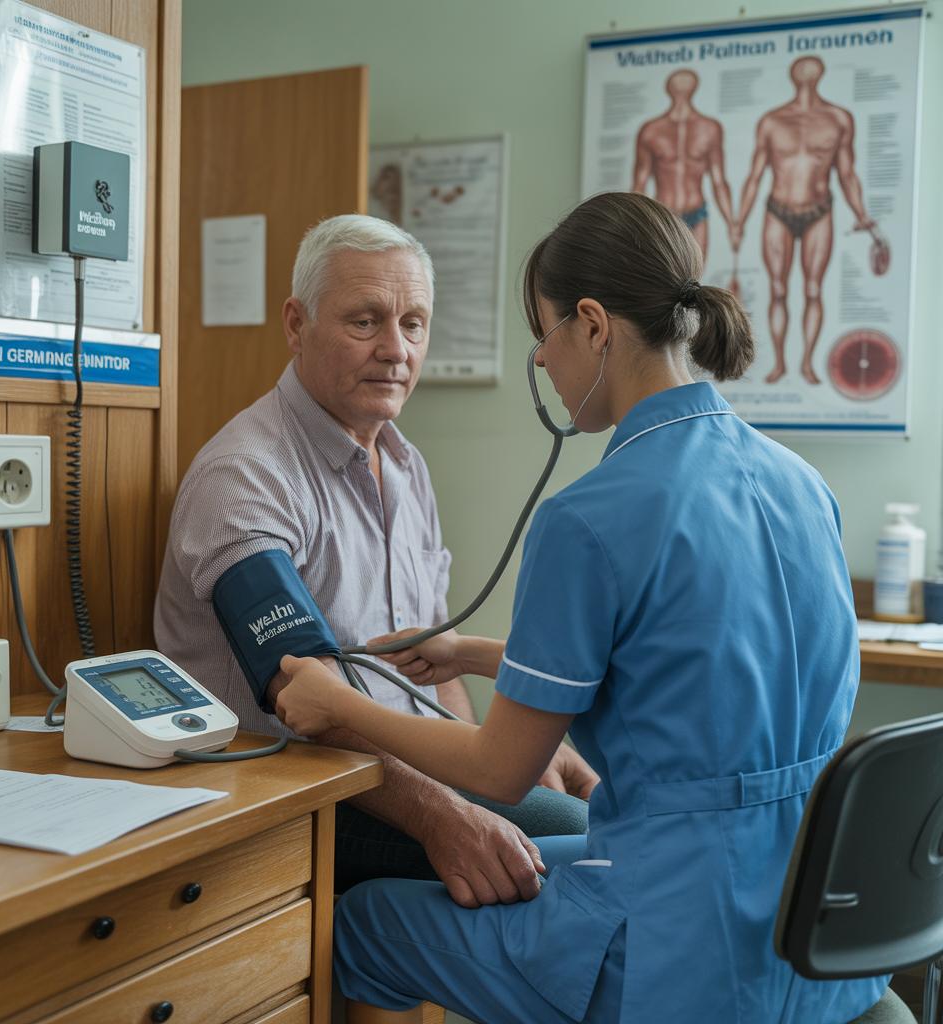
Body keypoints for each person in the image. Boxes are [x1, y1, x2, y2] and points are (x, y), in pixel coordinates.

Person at [274, 193, 889, 1023]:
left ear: (592, 325)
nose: (546, 362)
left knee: (360, 923)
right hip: (814, 925)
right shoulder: (799, 482)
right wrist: (476, 653)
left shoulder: (587, 517)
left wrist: (337, 704)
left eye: (545, 336)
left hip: (678, 951)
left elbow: (501, 770)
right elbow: (691, 657)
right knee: (538, 848)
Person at [154, 214, 596, 905]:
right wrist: (447, 816)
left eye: (414, 324)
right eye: (366, 322)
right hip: (297, 785)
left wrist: (495, 764)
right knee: (573, 841)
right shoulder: (245, 477)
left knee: (594, 815)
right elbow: (310, 699)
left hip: (401, 768)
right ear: (296, 325)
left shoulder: (403, 463)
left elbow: (433, 661)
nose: (396, 350)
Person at [735, 56, 875, 385]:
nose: (806, 76)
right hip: (777, 211)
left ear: (821, 74)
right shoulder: (772, 121)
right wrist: (738, 220)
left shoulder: (838, 118)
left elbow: (847, 172)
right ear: (792, 76)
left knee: (813, 289)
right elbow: (754, 176)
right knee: (778, 288)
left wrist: (861, 213)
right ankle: (781, 364)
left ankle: (807, 363)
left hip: (819, 210)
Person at [632, 69, 734, 262]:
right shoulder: (650, 130)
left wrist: (732, 224)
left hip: (697, 213)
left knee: (694, 283)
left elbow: (719, 181)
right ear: (668, 87)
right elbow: (639, 183)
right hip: (663, 216)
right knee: (662, 280)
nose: (682, 83)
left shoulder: (710, 128)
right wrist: (634, 226)